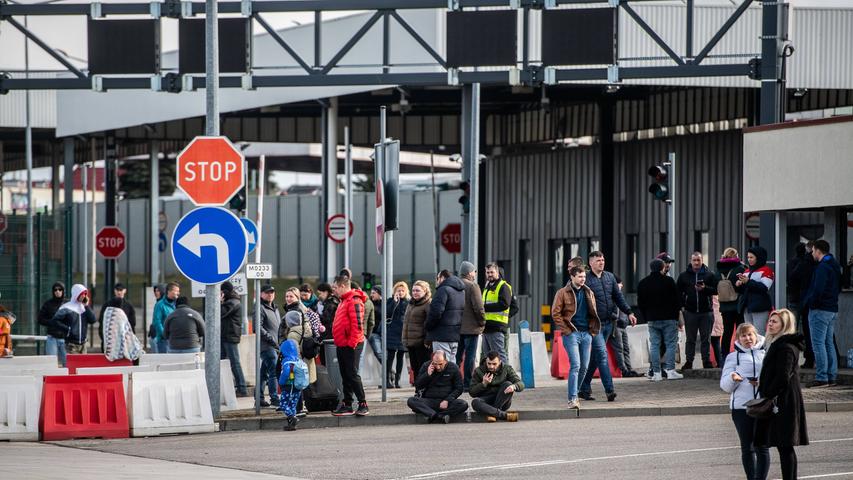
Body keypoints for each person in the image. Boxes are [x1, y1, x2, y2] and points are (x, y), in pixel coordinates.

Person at [754, 309, 809, 480]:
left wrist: (768, 393)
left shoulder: (785, 346)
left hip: (784, 401)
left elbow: (783, 377)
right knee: (783, 445)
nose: (770, 324)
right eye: (770, 321)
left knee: (785, 446)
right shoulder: (777, 343)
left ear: (785, 326)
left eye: (775, 322)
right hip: (781, 398)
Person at [580, 251, 636, 402]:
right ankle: (609, 390)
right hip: (594, 325)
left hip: (609, 323)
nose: (601, 262)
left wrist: (629, 312)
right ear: (591, 263)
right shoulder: (586, 280)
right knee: (602, 355)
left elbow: (618, 297)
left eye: (603, 259)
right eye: (598, 260)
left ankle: (583, 387)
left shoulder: (610, 277)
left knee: (595, 358)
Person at [720, 323, 769, 480]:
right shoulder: (732, 357)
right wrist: (733, 377)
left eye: (750, 335)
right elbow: (725, 386)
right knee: (747, 448)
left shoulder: (766, 354)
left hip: (763, 405)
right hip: (741, 407)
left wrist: (761, 382)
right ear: (738, 339)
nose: (747, 338)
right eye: (743, 336)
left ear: (756, 335)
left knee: (762, 447)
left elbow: (776, 378)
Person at [551, 266, 599, 409]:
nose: (583, 279)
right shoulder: (562, 293)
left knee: (584, 367)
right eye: (580, 277)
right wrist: (566, 330)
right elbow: (555, 313)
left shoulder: (588, 292)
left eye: (584, 277)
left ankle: (575, 393)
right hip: (571, 334)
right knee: (576, 365)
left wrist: (592, 332)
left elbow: (594, 312)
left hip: (587, 334)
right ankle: (572, 399)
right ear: (572, 277)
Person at [800, 239, 842, 388]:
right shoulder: (834, 265)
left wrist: (810, 303)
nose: (811, 254)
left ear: (817, 250)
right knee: (828, 343)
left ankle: (822, 377)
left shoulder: (822, 267)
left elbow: (818, 289)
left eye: (812, 251)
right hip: (831, 308)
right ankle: (831, 376)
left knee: (818, 343)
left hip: (819, 310)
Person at [637, 259, 684, 382]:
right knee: (670, 344)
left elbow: (641, 303)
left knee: (654, 345)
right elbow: (677, 301)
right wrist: (675, 316)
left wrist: (646, 317)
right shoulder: (669, 281)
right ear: (663, 268)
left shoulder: (643, 283)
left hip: (652, 318)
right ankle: (670, 371)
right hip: (669, 318)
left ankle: (656, 373)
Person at [331, 275, 370, 416]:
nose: (333, 291)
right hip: (342, 343)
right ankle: (347, 403)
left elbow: (357, 326)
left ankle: (363, 403)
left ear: (342, 286)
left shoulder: (354, 300)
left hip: (351, 344)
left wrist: (351, 343)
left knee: (352, 374)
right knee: (345, 374)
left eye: (335, 287)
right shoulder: (343, 301)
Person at [676, 252, 718, 369]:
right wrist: (682, 307)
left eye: (698, 260)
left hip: (706, 311)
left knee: (706, 338)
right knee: (690, 339)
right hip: (690, 312)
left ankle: (706, 361)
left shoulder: (709, 275)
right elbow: (678, 293)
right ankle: (689, 361)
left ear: (702, 260)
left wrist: (705, 289)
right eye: (694, 260)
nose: (696, 263)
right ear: (691, 261)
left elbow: (716, 290)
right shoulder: (684, 276)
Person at [406, 351, 469, 423]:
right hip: (429, 400)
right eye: (435, 364)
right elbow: (418, 386)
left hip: (446, 401)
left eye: (440, 364)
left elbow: (459, 388)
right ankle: (438, 416)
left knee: (463, 404)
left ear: (445, 361)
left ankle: (434, 415)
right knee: (411, 401)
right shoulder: (426, 366)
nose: (438, 367)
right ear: (432, 361)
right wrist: (427, 375)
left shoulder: (453, 368)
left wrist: (447, 400)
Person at [281, 287, 321, 387]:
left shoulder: (297, 312)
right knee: (303, 383)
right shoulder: (294, 310)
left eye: (291, 296)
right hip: (301, 355)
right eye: (287, 296)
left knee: (298, 383)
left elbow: (299, 337)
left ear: (297, 297)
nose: (288, 299)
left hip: (299, 355)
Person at [469, 351, 523, 422]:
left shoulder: (506, 369)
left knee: (508, 384)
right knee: (475, 402)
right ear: (486, 361)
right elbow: (472, 392)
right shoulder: (479, 371)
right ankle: (504, 415)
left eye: (494, 364)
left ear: (500, 362)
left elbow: (521, 383)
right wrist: (483, 384)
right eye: (489, 364)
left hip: (502, 400)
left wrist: (514, 386)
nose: (491, 366)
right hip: (487, 400)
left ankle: (492, 413)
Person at [49, 284, 96, 362]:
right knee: (73, 367)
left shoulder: (84, 308)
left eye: (85, 294)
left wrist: (86, 306)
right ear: (77, 294)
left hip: (83, 345)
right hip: (71, 345)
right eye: (82, 294)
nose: (84, 296)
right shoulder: (66, 307)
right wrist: (67, 330)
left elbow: (93, 320)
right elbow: (54, 320)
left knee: (83, 369)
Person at [457, 261, 486, 391]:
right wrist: (482, 322)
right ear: (469, 273)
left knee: (456, 357)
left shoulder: (455, 285)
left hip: (457, 328)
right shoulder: (472, 286)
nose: (475, 274)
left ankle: (455, 381)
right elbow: (478, 308)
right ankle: (467, 383)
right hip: (471, 328)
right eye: (474, 271)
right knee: (470, 356)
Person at [425, 269, 465, 362]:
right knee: (451, 365)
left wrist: (428, 326)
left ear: (442, 278)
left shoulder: (443, 290)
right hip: (454, 335)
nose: (437, 281)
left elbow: (436, 312)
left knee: (441, 366)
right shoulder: (461, 291)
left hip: (441, 335)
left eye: (437, 278)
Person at [716, 247, 746, 364]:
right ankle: (741, 354)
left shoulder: (718, 270)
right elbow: (743, 287)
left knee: (727, 332)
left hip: (724, 306)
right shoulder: (740, 268)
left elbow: (715, 286)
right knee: (740, 330)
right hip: (737, 305)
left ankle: (725, 357)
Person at [789, 242, 817, 369]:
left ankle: (797, 357)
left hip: (797, 299)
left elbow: (792, 278)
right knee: (808, 329)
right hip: (806, 300)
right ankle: (809, 357)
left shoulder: (797, 263)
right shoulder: (812, 263)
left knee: (792, 329)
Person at [735, 246, 774, 335]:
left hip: (760, 307)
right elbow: (744, 290)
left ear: (759, 257)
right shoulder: (747, 271)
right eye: (748, 257)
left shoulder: (767, 271)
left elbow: (764, 288)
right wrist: (738, 285)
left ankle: (762, 349)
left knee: (759, 334)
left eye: (751, 257)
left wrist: (748, 281)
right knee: (749, 334)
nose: (749, 259)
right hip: (747, 307)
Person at [254, 285, 281, 408]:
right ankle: (274, 399)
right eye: (267, 292)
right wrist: (271, 338)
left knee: (263, 373)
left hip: (275, 345)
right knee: (274, 372)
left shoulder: (275, 308)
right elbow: (257, 328)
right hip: (267, 346)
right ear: (261, 294)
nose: (270, 294)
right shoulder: (260, 308)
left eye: (272, 292)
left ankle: (259, 399)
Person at [220, 281, 248, 397]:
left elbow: (221, 313)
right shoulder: (230, 301)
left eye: (221, 292)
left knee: (234, 362)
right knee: (221, 362)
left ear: (225, 292)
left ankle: (242, 388)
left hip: (230, 336)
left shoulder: (233, 303)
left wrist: (219, 302)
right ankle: (224, 387)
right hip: (225, 336)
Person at [481, 262, 512, 363]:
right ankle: (492, 378)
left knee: (499, 355)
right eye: (487, 272)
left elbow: (504, 304)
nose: (489, 274)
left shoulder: (503, 286)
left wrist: (484, 307)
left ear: (497, 272)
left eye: (492, 272)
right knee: (488, 357)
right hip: (486, 327)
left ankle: (505, 377)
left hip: (497, 327)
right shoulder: (487, 287)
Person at [403, 280, 432, 380]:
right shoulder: (411, 303)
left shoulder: (428, 304)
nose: (415, 292)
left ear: (425, 291)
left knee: (423, 368)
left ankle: (424, 390)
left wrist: (427, 341)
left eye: (418, 291)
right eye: (413, 290)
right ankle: (418, 389)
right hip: (411, 342)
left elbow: (430, 324)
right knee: (415, 368)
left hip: (422, 343)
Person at [278, 339, 309, 431]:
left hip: (288, 386)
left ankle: (292, 418)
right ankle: (292, 425)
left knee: (283, 405)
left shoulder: (287, 361)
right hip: (297, 387)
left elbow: (286, 372)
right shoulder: (297, 359)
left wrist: (281, 381)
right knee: (292, 405)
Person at [611, 276, 638, 377]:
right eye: (620, 283)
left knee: (626, 349)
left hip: (623, 326)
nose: (622, 285)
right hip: (616, 326)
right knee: (620, 349)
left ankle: (629, 369)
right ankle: (624, 371)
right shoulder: (611, 295)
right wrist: (615, 318)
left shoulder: (620, 296)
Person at [98, 283, 137, 350]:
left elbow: (132, 324)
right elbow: (102, 322)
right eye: (117, 290)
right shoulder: (107, 305)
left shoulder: (129, 306)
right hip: (109, 341)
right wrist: (104, 338)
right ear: (114, 291)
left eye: (121, 290)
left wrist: (130, 340)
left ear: (125, 291)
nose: (119, 292)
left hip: (124, 342)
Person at [386, 282, 409, 389]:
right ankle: (387, 380)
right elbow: (387, 313)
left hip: (403, 333)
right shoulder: (390, 301)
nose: (400, 292)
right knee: (390, 357)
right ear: (395, 292)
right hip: (392, 331)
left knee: (400, 357)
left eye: (402, 290)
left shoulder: (408, 302)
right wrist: (394, 302)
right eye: (398, 290)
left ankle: (397, 381)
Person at [38, 282, 67, 364]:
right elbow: (40, 319)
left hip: (65, 338)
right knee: (51, 363)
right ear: (53, 292)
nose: (57, 291)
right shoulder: (48, 304)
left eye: (60, 289)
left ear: (63, 291)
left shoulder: (68, 304)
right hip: (52, 337)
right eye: (55, 290)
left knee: (67, 363)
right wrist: (51, 322)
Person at [151, 282, 179, 354]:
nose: (178, 293)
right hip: (164, 340)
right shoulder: (160, 304)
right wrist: (164, 335)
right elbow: (157, 321)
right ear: (169, 292)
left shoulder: (177, 304)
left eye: (178, 291)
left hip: (176, 339)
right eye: (176, 291)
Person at [366, 286, 384, 365]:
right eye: (371, 293)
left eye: (374, 293)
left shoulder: (385, 304)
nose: (371, 295)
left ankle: (388, 371)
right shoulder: (370, 304)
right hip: (374, 333)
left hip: (383, 333)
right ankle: (388, 370)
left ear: (380, 294)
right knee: (378, 352)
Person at [711, 296, 724, 367]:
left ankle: (719, 362)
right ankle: (719, 362)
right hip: (717, 316)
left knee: (715, 341)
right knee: (716, 341)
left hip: (715, 316)